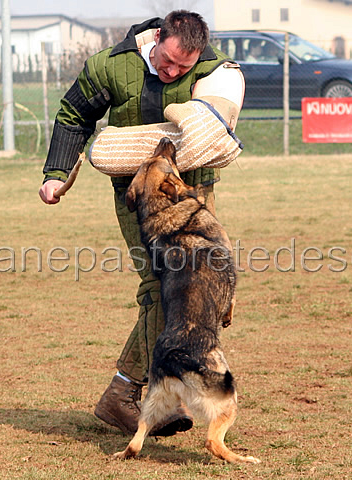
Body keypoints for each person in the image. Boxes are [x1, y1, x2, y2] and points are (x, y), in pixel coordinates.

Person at [38, 10, 242, 437]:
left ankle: (158, 388)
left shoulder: (213, 68)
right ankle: (127, 392)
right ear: (156, 39)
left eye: (182, 68)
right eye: (167, 62)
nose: (172, 72)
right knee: (159, 290)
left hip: (196, 191)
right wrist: (56, 175)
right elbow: (74, 116)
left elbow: (219, 122)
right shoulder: (110, 65)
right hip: (141, 199)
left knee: (202, 286)